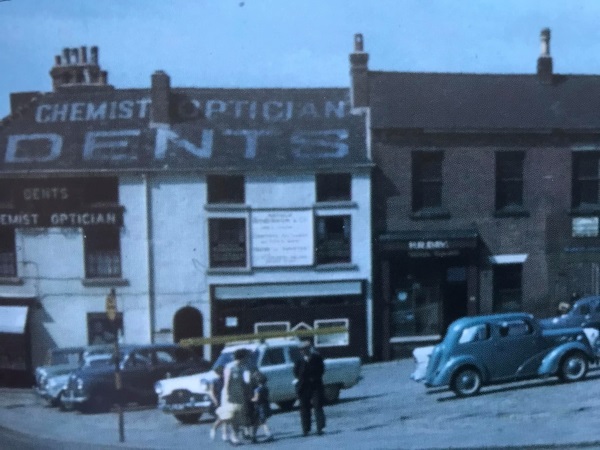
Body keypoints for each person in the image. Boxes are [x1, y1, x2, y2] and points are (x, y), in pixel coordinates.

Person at [293, 340, 326, 436]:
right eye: (301, 350)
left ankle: (320, 428)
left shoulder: (317, 357)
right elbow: (295, 372)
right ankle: (306, 429)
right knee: (304, 408)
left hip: (315, 385)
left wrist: (315, 378)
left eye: (304, 349)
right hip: (303, 386)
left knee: (317, 406)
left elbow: (322, 369)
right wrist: (301, 379)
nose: (303, 351)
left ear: (309, 349)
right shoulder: (298, 359)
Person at [222, 348, 252, 444]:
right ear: (242, 357)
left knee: (241, 416)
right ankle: (232, 436)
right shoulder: (230, 367)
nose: (248, 359)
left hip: (241, 394)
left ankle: (237, 435)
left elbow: (244, 382)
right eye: (247, 357)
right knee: (233, 416)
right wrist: (227, 395)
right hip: (231, 394)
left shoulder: (243, 367)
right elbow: (226, 383)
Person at [251, 370, 272, 442]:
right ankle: (254, 435)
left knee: (259, 422)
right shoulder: (265, 388)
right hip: (265, 405)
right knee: (262, 421)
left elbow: (256, 399)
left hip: (259, 407)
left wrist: (251, 399)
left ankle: (267, 434)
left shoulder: (257, 390)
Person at [209, 366, 227, 441]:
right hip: (218, 400)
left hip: (225, 399)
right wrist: (215, 400)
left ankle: (224, 434)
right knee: (222, 418)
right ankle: (214, 428)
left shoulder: (225, 380)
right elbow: (211, 392)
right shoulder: (215, 381)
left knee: (225, 418)